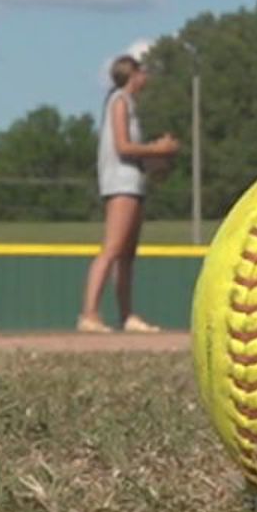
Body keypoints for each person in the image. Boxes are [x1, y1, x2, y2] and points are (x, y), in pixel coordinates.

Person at [79, 54, 180, 333]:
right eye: (142, 72)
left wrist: (157, 158)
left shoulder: (129, 104)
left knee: (127, 255)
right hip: (120, 183)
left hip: (133, 182)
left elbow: (133, 152)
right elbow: (123, 146)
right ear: (132, 75)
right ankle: (89, 314)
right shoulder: (119, 101)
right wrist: (157, 149)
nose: (146, 78)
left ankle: (127, 315)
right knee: (111, 248)